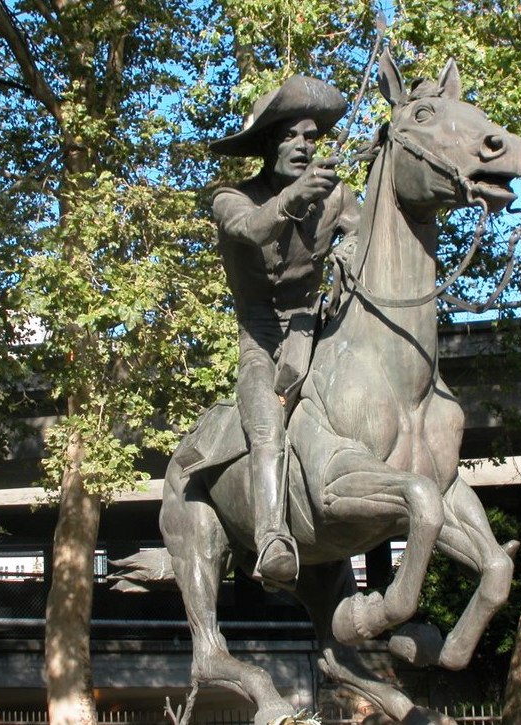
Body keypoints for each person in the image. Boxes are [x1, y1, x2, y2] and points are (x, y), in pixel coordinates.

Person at [210, 76, 360, 590]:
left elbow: (363, 240)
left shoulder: (338, 195)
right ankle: (272, 538)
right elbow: (251, 229)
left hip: (317, 332)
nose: (304, 146)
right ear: (267, 144)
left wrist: (346, 251)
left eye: (312, 137)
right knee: (266, 423)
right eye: (292, 136)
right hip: (260, 339)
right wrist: (297, 196)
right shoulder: (230, 197)